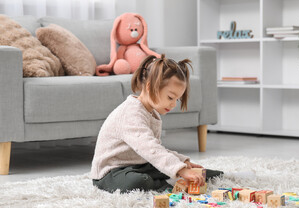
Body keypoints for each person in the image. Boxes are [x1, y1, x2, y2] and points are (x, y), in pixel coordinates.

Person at [90, 54, 223, 193]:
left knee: (189, 170)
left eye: (177, 100)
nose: (173, 104)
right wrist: (181, 170)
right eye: (170, 97)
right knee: (141, 181)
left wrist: (183, 162)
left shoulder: (152, 113)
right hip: (111, 173)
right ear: (149, 87)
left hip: (139, 164)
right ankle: (163, 184)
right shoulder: (131, 113)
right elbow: (150, 148)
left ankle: (172, 178)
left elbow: (157, 149)